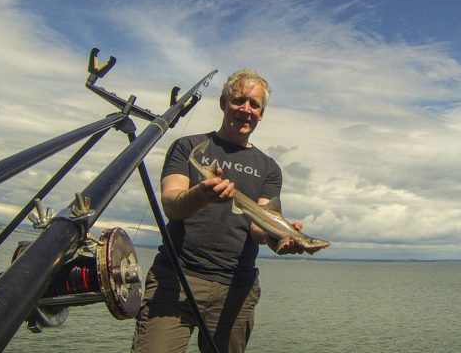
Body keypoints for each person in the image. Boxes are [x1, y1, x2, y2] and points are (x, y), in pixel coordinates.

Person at [131, 69, 322, 353]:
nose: (246, 109)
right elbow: (171, 204)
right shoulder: (188, 147)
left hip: (236, 288)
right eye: (238, 100)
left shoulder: (268, 168)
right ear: (223, 103)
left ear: (261, 114)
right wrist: (202, 195)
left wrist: (280, 239)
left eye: (254, 104)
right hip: (176, 279)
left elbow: (257, 227)